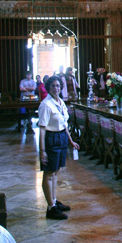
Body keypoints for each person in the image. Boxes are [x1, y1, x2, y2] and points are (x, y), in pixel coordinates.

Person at [37, 76, 80, 220]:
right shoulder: (46, 104)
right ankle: (51, 208)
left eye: (58, 86)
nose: (56, 88)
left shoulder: (60, 102)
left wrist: (70, 140)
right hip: (51, 138)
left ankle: (54, 201)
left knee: (55, 171)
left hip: (61, 137)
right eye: (53, 86)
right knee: (49, 172)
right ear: (48, 87)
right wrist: (42, 151)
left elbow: (64, 124)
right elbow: (42, 128)